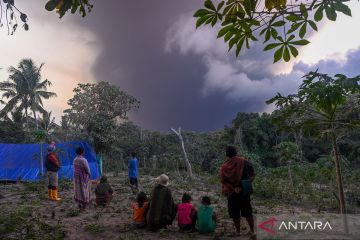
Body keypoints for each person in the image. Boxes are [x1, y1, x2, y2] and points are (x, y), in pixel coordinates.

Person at [220, 145, 256, 237]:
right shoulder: (244, 162)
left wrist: (233, 188)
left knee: (234, 212)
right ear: (236, 152)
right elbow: (253, 174)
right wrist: (245, 184)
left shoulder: (225, 166)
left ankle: (238, 232)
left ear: (227, 154)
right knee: (247, 211)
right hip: (244, 191)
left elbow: (223, 181)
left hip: (232, 193)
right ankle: (252, 231)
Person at [73, 147, 91, 211]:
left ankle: (79, 203)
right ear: (82, 152)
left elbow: (75, 169)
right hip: (83, 178)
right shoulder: (84, 160)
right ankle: (84, 205)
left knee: (78, 190)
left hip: (77, 178)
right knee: (84, 190)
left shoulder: (75, 159)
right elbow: (87, 170)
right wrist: (89, 174)